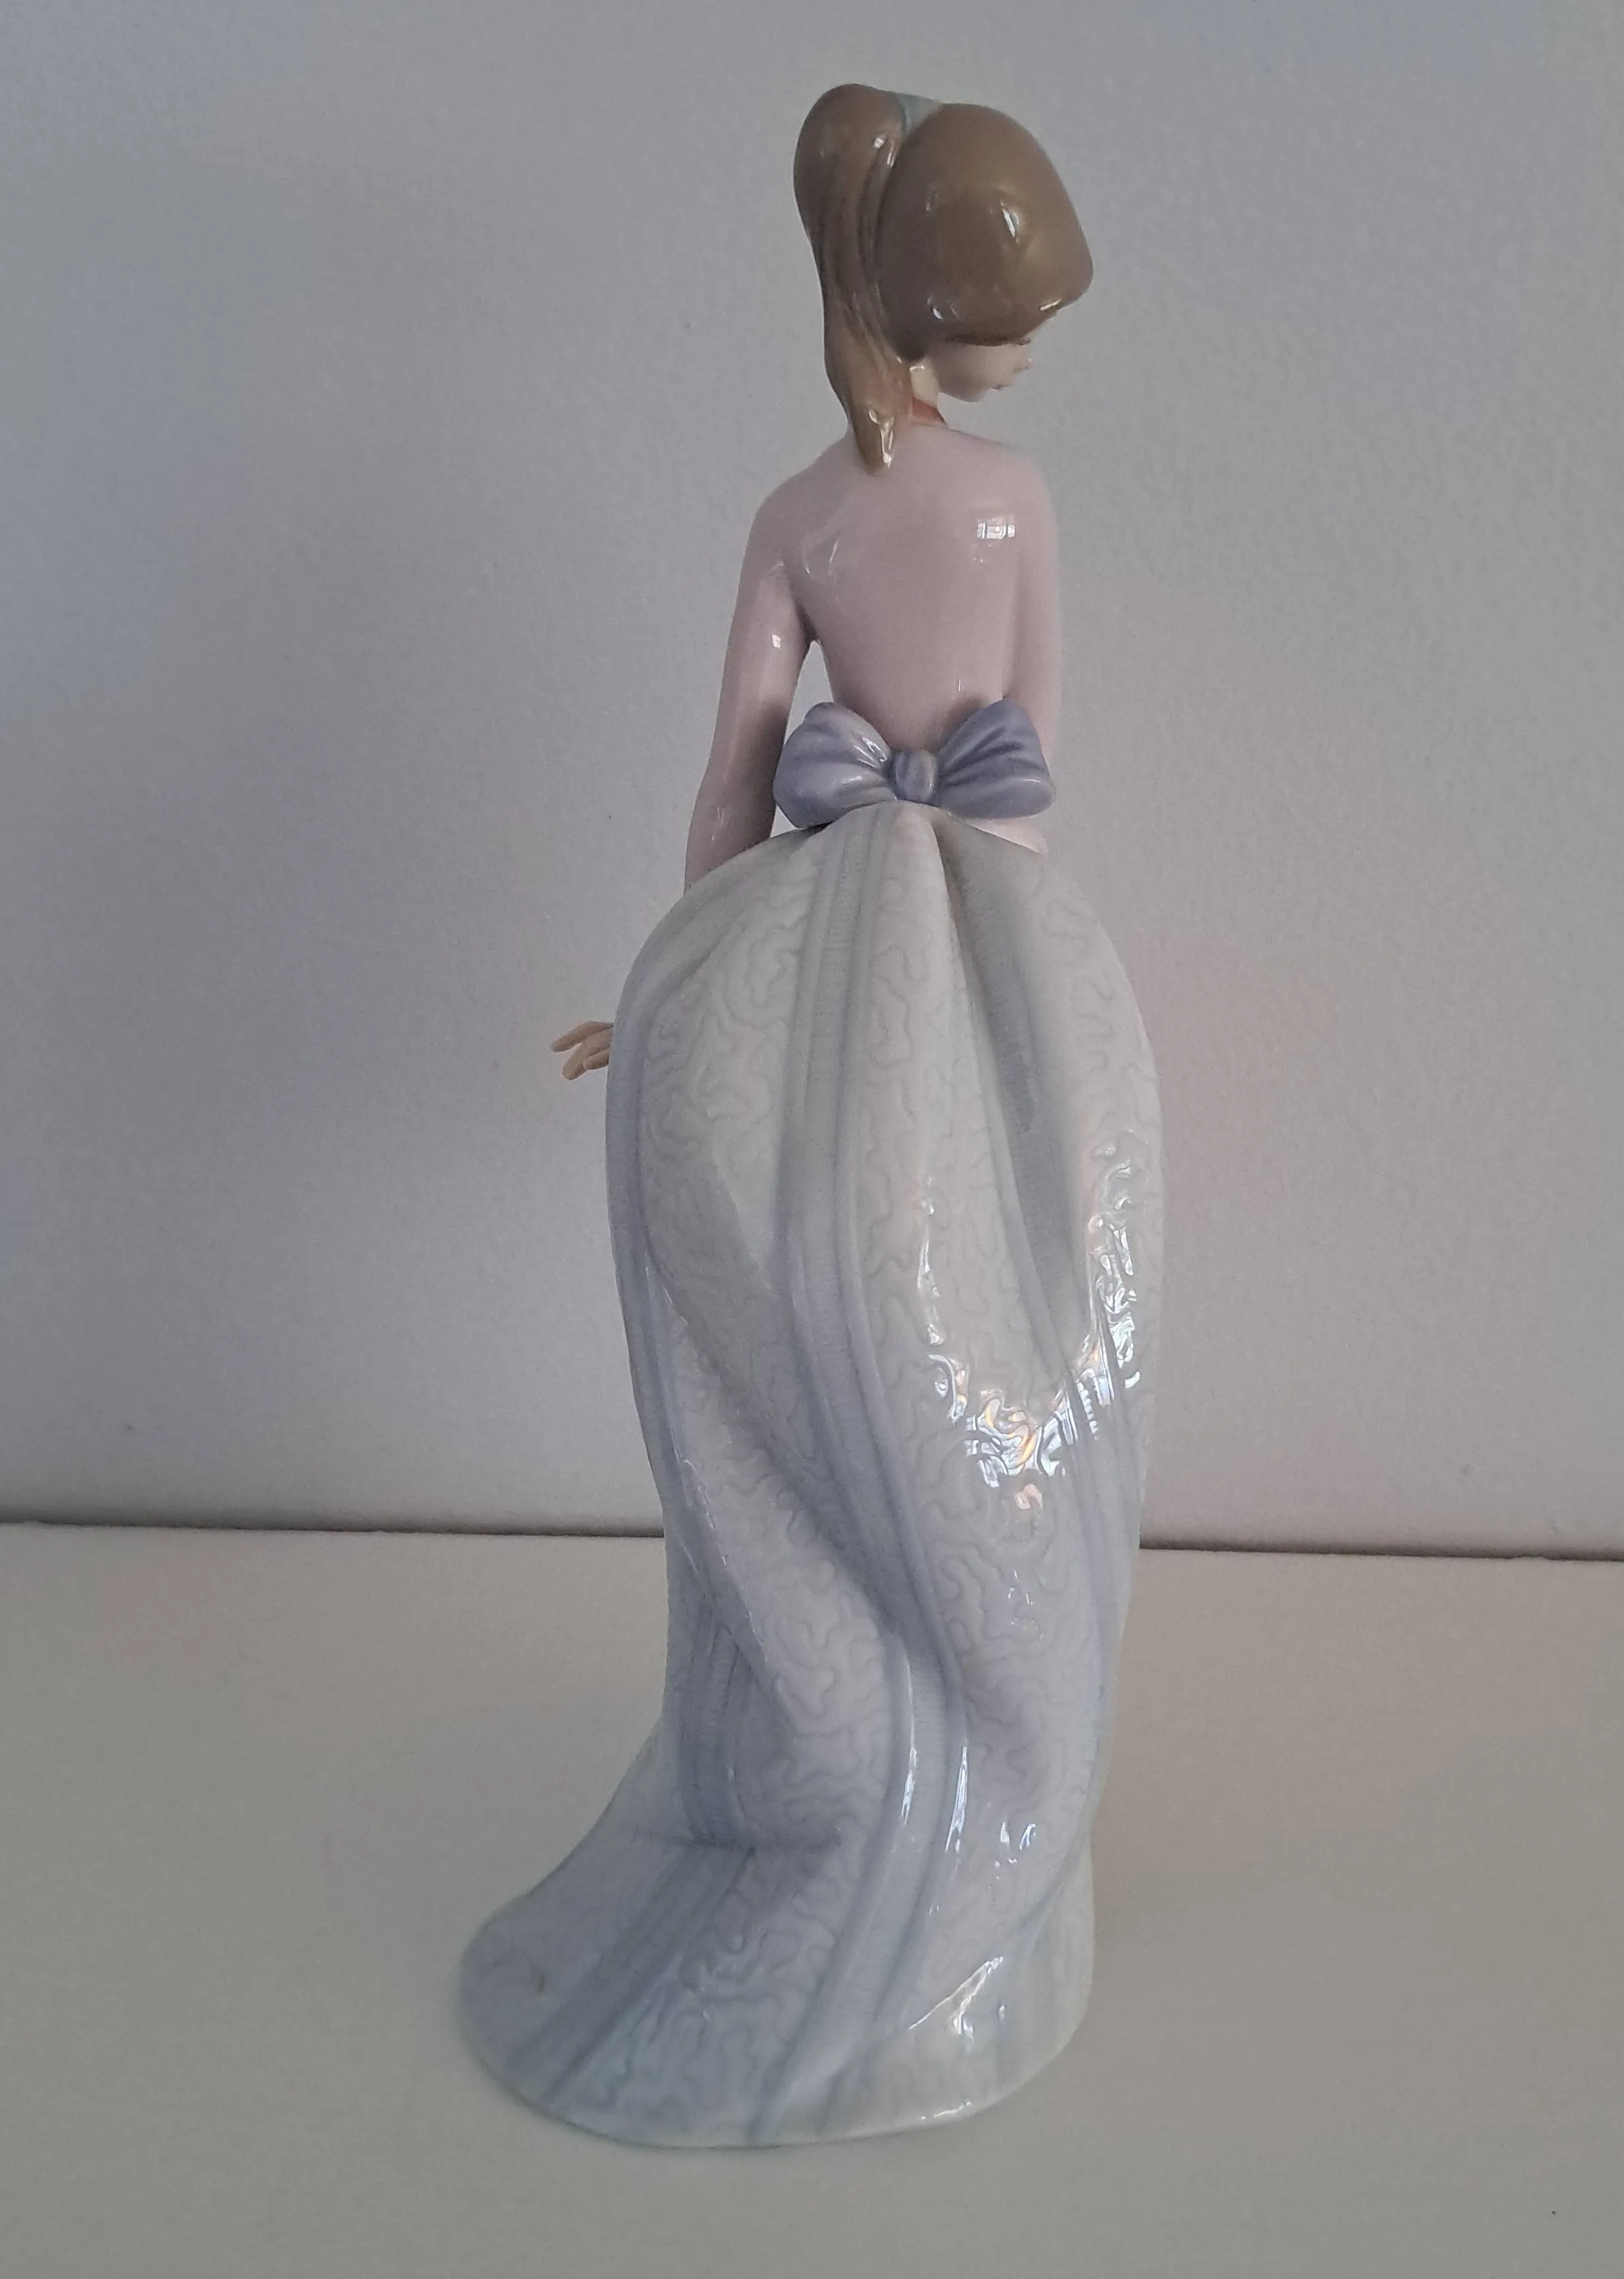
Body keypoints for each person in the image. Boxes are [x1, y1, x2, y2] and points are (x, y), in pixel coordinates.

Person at [461, 84, 1163, 2146]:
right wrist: (719, 988)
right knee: (930, 1310)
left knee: (868, 1316)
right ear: (926, 303)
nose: (1019, 358)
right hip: (976, 929)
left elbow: (737, 782)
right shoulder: (1007, 503)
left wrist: (692, 966)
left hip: (852, 928)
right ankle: (919, 1730)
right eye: (1006, 319)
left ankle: (898, 1724)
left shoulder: (802, 512)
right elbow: (1031, 731)